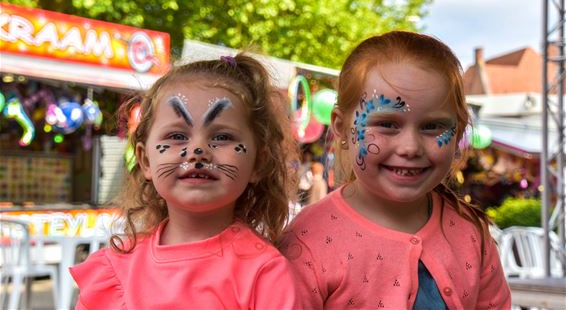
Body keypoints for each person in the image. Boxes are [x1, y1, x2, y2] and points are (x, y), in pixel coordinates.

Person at [278, 31, 511, 309]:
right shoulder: (306, 242)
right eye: (387, 124)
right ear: (340, 126)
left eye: (433, 126)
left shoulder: (471, 233)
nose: (410, 147)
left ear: (458, 133)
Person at [70, 54, 300, 309]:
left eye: (222, 137)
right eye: (177, 135)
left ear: (258, 162)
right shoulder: (114, 269)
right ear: (145, 161)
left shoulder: (264, 275)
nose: (198, 150)